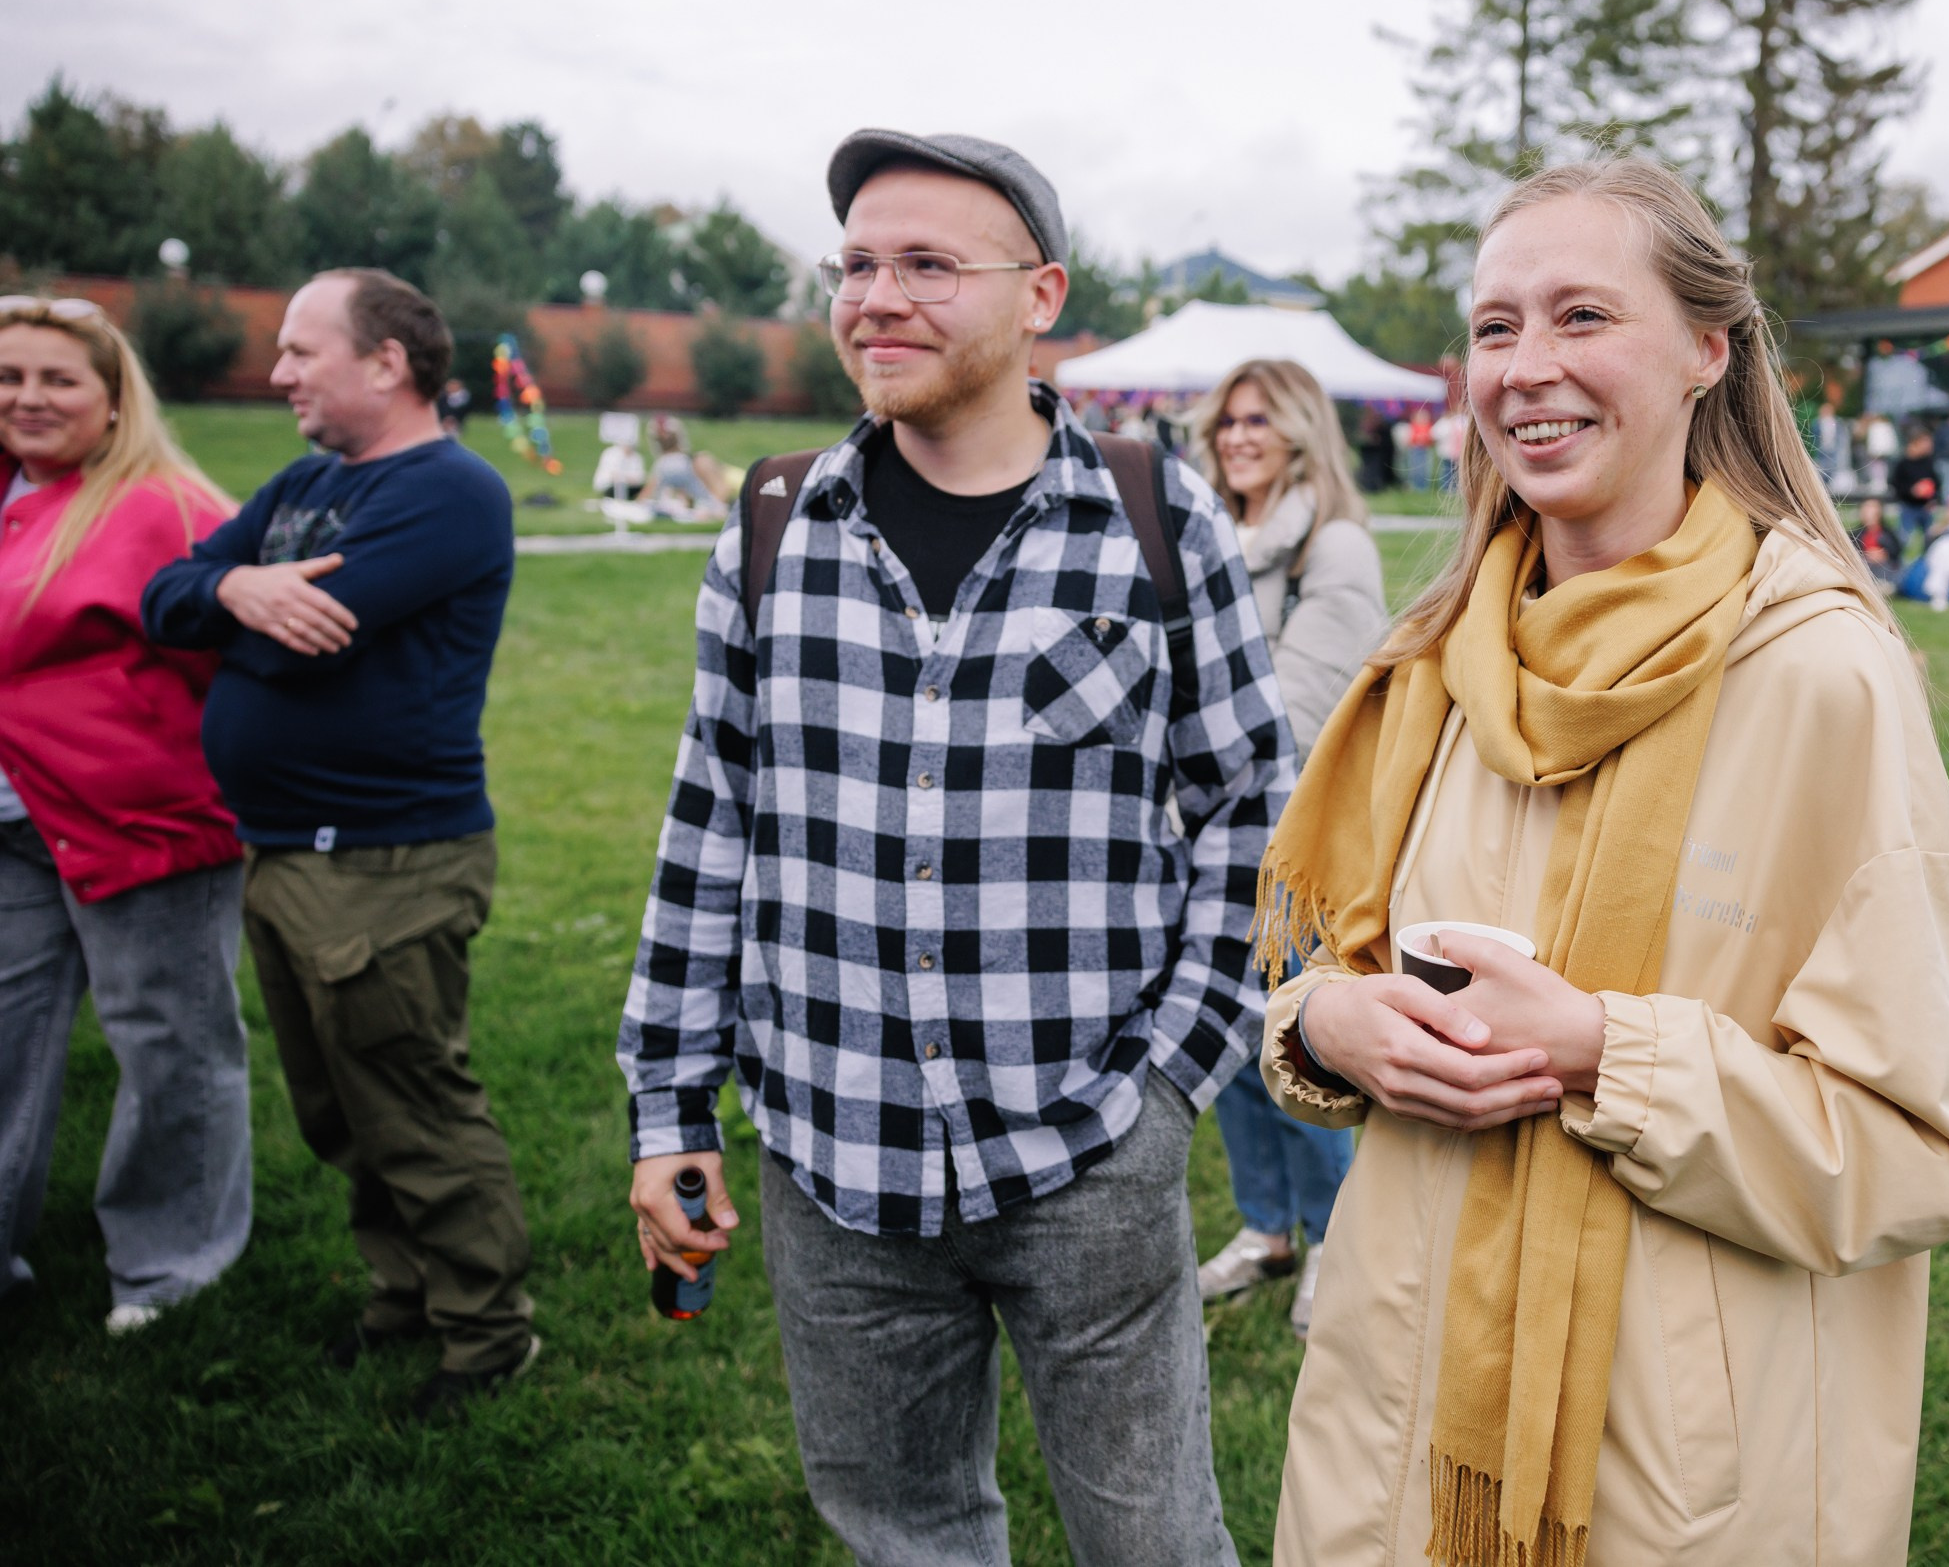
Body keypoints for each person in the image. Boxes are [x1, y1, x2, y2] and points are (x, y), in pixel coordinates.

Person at [1253, 156, 1949, 1566]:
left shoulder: (1825, 677)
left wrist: (1604, 1052)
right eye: (1495, 327)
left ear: (1707, 351)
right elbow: (1321, 987)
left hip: (1670, 1479)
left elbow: (1917, 1152)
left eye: (1583, 317)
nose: (1527, 368)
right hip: (1386, 1431)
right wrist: (1332, 1022)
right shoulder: (1430, 661)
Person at [618, 130, 1288, 1567]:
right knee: (907, 1537)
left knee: (1156, 1542)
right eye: (857, 264)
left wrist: (1172, 1078)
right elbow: (711, 823)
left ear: (1040, 294)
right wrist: (669, 1106)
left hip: (1086, 1153)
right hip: (828, 1156)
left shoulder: (1158, 524)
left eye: (928, 263)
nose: (878, 297)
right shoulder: (770, 528)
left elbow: (1251, 811)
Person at [141, 269, 533, 1419]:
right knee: (339, 1109)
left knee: (412, 1102)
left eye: (300, 350)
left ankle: (487, 1337)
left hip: (386, 857)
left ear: (387, 362)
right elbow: (164, 597)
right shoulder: (309, 482)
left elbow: (311, 640)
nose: (277, 374)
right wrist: (244, 586)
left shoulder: (454, 489)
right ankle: (402, 1295)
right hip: (284, 850)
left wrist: (234, 606)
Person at [0, 298, 250, 1334]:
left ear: (112, 402)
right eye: (10, 377)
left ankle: (171, 1265)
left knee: (169, 1045)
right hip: (14, 824)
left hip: (142, 824)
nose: (28, 398)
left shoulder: (161, 506)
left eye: (59, 379)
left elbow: (235, 650)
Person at [1192, 357, 1387, 1336]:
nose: (1238, 436)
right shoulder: (1210, 534)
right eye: (1227, 420)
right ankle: (1266, 1227)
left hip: (1293, 843)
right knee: (1226, 1044)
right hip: (1205, 836)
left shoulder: (1332, 546)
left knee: (1295, 1039)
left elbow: (1294, 710)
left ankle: (1331, 1237)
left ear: (1302, 430)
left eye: (1259, 419)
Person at [1888, 426, 1939, 541]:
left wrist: (1933, 497)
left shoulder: (1928, 462)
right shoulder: (1902, 464)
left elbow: (1936, 482)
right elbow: (1895, 485)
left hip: (1926, 506)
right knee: (1903, 538)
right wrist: (1912, 491)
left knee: (1930, 538)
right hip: (1908, 506)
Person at [1851, 495, 1904, 592]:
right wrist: (1866, 555)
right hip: (1865, 568)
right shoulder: (1855, 535)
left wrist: (1884, 554)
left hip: (1885, 569)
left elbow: (1896, 552)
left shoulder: (1888, 533)